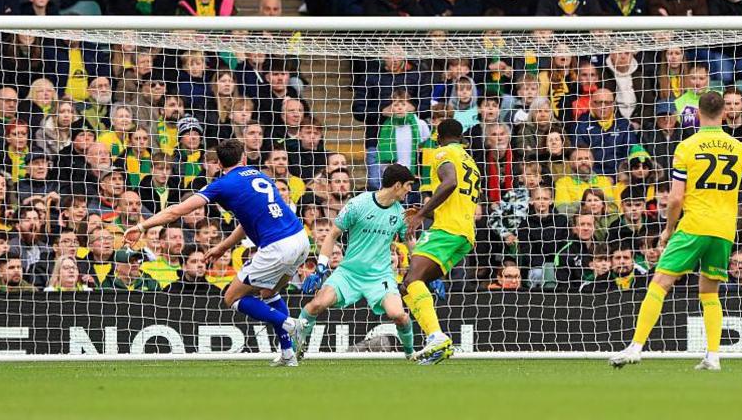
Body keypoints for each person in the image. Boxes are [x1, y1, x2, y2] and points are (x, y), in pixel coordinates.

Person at [610, 91, 742, 371]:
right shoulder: (740, 148)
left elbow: (674, 199)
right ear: (724, 113)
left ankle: (635, 348)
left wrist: (669, 229)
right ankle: (713, 356)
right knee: (710, 293)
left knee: (659, 282)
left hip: (694, 226)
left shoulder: (686, 146)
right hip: (723, 230)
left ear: (697, 113)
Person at [127, 138, 308, 366]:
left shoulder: (222, 185)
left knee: (232, 297)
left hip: (277, 246)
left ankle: (291, 324)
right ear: (243, 158)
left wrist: (142, 226)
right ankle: (288, 355)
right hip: (300, 239)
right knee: (268, 293)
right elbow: (246, 222)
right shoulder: (258, 174)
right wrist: (222, 246)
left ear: (219, 164)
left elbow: (175, 212)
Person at [293, 164, 418, 360]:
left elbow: (411, 244)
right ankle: (294, 349)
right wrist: (320, 267)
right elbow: (332, 234)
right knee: (317, 303)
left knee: (399, 315)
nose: (410, 190)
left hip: (380, 276)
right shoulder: (359, 204)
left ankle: (411, 354)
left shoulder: (401, 214)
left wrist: (423, 271)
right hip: (349, 273)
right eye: (408, 185)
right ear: (397, 185)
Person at [402, 118, 480, 365]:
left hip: (446, 231)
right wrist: (427, 210)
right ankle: (437, 343)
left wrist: (423, 214)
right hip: (464, 233)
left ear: (438, 134)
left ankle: (436, 337)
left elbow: (450, 183)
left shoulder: (442, 152)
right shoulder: (470, 161)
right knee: (412, 284)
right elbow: (455, 199)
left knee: (411, 281)